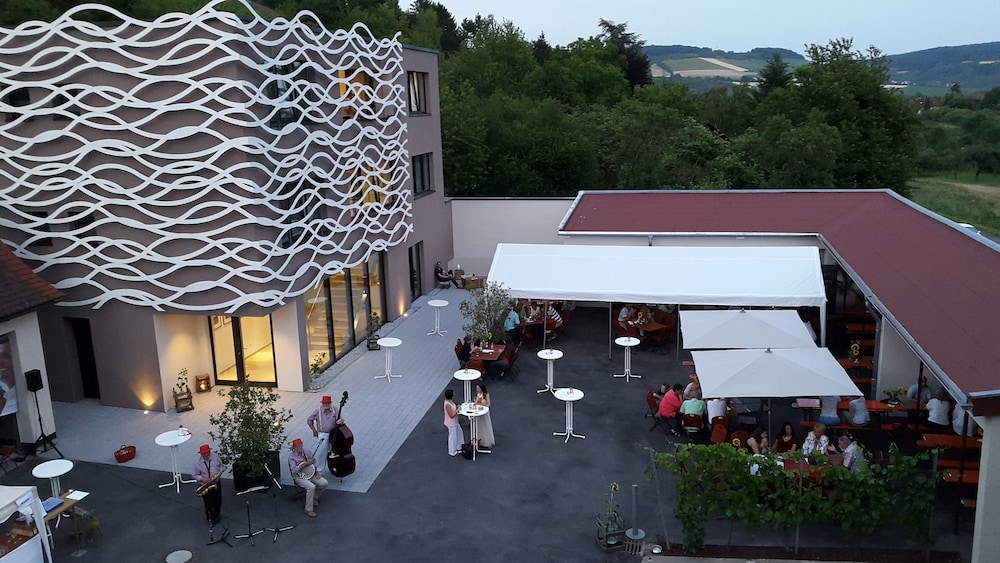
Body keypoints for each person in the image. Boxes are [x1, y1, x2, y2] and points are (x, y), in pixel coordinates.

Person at [288, 437, 328, 518]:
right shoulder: (291, 457)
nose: (299, 448)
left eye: (300, 445)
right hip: (299, 477)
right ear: (293, 448)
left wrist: (316, 472)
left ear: (302, 445)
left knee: (324, 483)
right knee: (311, 487)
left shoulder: (307, 451)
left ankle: (313, 498)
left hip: (311, 474)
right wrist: (305, 463)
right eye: (296, 446)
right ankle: (308, 509)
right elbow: (294, 471)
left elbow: (314, 462)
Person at [306, 395, 343, 476]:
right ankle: (319, 470)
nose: (326, 404)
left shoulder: (334, 409)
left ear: (330, 403)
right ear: (322, 403)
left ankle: (336, 466)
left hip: (334, 433)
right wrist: (314, 430)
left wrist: (340, 421)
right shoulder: (318, 411)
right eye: (324, 403)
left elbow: (340, 418)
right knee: (321, 452)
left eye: (327, 403)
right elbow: (309, 420)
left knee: (335, 451)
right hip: (323, 434)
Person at [192, 444, 224, 526]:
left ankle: (217, 516)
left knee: (218, 501)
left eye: (207, 453)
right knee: (208, 504)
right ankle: (210, 519)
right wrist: (203, 479)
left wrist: (219, 473)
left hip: (216, 482)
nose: (205, 455)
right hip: (205, 484)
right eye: (203, 454)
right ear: (201, 454)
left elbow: (221, 466)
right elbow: (194, 475)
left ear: (209, 451)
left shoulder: (215, 457)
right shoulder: (197, 463)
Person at [473, 383, 495, 448]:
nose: (477, 389)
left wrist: (479, 404)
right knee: (479, 426)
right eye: (476, 388)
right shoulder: (478, 394)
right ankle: (480, 440)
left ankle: (487, 442)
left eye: (478, 388)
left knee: (485, 426)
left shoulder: (486, 394)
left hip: (484, 413)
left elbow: (488, 404)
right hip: (479, 412)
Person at [443, 389, 464, 456]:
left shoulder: (450, 401)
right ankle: (452, 451)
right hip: (451, 423)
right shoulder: (447, 404)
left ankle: (459, 446)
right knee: (453, 437)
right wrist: (457, 410)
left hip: (455, 422)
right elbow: (451, 415)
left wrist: (457, 407)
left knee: (459, 432)